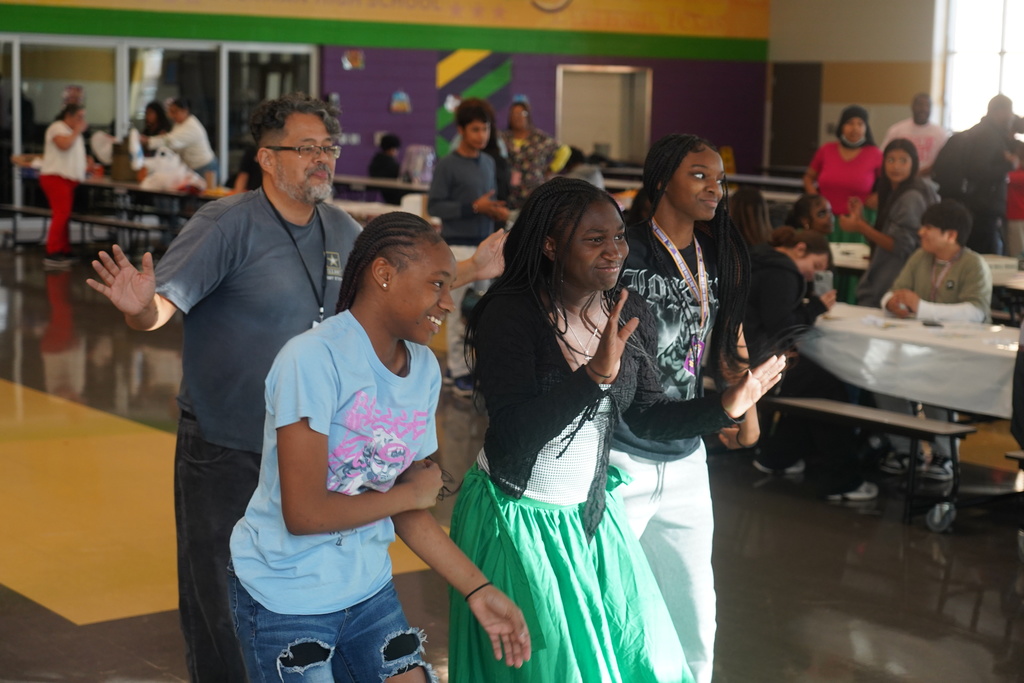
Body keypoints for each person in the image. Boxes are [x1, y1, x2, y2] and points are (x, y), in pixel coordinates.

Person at [86, 92, 506, 683]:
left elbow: (396, 285)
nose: (322, 159)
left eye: (328, 148)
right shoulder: (226, 224)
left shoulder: (340, 227)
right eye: (306, 148)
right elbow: (159, 307)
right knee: (223, 604)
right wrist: (137, 310)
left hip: (322, 452)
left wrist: (471, 271)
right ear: (266, 157)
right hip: (229, 448)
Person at [448, 177, 787, 682]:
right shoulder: (511, 314)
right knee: (550, 669)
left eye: (619, 238)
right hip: (515, 517)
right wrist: (593, 378)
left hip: (588, 516)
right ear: (549, 245)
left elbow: (647, 414)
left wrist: (727, 405)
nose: (614, 252)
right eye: (594, 240)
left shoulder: (628, 310)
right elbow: (513, 434)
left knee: (646, 659)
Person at [229, 212, 530, 681]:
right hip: (286, 597)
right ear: (385, 274)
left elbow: (409, 505)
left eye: (451, 287)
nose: (448, 304)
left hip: (368, 591)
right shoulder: (312, 360)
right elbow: (305, 513)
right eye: (437, 284)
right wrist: (407, 495)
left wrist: (478, 590)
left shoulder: (425, 370)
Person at [610, 134, 761, 683]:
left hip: (686, 458)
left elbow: (729, 336)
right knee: (611, 610)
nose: (714, 189)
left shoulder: (715, 256)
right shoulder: (621, 248)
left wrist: (745, 412)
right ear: (661, 180)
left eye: (719, 178)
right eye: (699, 175)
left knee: (697, 617)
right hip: (617, 457)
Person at [745, 227, 878, 501]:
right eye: (815, 266)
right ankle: (843, 480)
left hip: (736, 357)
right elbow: (783, 328)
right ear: (800, 249)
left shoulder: (757, 259)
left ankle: (776, 457)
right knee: (829, 385)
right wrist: (814, 307)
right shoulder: (783, 273)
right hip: (761, 364)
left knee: (811, 385)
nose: (811, 275)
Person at [877, 199, 993, 480]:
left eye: (929, 227)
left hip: (960, 355)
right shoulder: (920, 258)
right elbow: (891, 292)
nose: (921, 232)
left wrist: (920, 307)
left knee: (935, 384)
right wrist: (891, 303)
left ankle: (944, 455)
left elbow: (976, 312)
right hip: (916, 347)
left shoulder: (973, 264)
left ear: (950, 235)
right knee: (880, 380)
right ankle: (906, 451)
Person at [428, 97, 509, 397]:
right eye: (475, 129)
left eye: (485, 129)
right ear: (461, 130)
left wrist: (496, 212)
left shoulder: (488, 162)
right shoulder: (448, 166)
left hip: (486, 250)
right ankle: (456, 371)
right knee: (456, 311)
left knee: (478, 314)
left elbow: (488, 203)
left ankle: (473, 368)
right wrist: (475, 208)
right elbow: (435, 205)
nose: (481, 136)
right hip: (457, 249)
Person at [841, 138, 938, 307]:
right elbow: (885, 239)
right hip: (888, 277)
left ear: (913, 164)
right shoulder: (894, 191)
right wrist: (861, 219)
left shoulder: (911, 198)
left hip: (895, 282)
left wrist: (861, 227)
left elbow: (901, 247)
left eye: (903, 160)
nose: (896, 166)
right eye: (891, 160)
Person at [941, 94, 1018, 254]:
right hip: (982, 209)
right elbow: (978, 170)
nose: (1011, 117)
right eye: (1009, 111)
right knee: (982, 257)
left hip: (976, 205)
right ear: (999, 111)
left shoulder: (983, 132)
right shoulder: (988, 136)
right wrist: (1009, 165)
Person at [803, 105, 883, 243]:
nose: (855, 128)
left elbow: (889, 183)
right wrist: (815, 198)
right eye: (850, 123)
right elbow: (808, 178)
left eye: (860, 124)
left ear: (866, 128)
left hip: (858, 224)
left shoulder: (875, 153)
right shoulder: (826, 150)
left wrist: (878, 195)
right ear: (841, 126)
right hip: (825, 222)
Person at [40, 103, 89, 269]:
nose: (82, 121)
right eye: (79, 117)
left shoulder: (73, 132)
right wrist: (77, 130)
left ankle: (64, 249)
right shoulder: (57, 127)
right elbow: (64, 145)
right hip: (55, 178)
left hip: (68, 180)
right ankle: (52, 252)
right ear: (69, 116)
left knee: (65, 215)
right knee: (61, 214)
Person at [501, 99, 571, 209]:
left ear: (528, 116)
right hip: (509, 194)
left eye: (521, 113)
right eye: (514, 114)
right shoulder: (503, 138)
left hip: (534, 191)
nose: (517, 117)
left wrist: (551, 169)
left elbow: (564, 150)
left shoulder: (539, 138)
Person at [144, 97, 218, 180]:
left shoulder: (191, 126)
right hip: (192, 167)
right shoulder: (179, 123)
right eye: (170, 112)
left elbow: (170, 141)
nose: (171, 115)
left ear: (185, 111)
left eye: (174, 112)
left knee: (207, 192)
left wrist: (146, 140)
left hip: (205, 168)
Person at [881, 93, 949, 176]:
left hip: (929, 180)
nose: (923, 109)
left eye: (927, 105)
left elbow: (944, 160)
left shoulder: (941, 133)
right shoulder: (896, 130)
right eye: (919, 105)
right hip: (900, 177)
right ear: (912, 107)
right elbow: (884, 155)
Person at [368, 132, 406, 205]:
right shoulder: (390, 164)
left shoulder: (376, 160)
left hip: (387, 196)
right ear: (393, 149)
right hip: (395, 197)